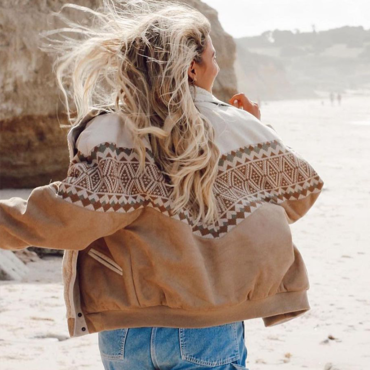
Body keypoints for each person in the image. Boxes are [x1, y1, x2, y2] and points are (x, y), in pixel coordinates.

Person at [0, 1, 325, 369]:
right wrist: (258, 132)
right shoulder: (238, 127)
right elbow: (299, 195)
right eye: (213, 57)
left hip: (125, 332)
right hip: (205, 329)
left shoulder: (113, 131)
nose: (217, 67)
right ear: (191, 67)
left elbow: (64, 217)